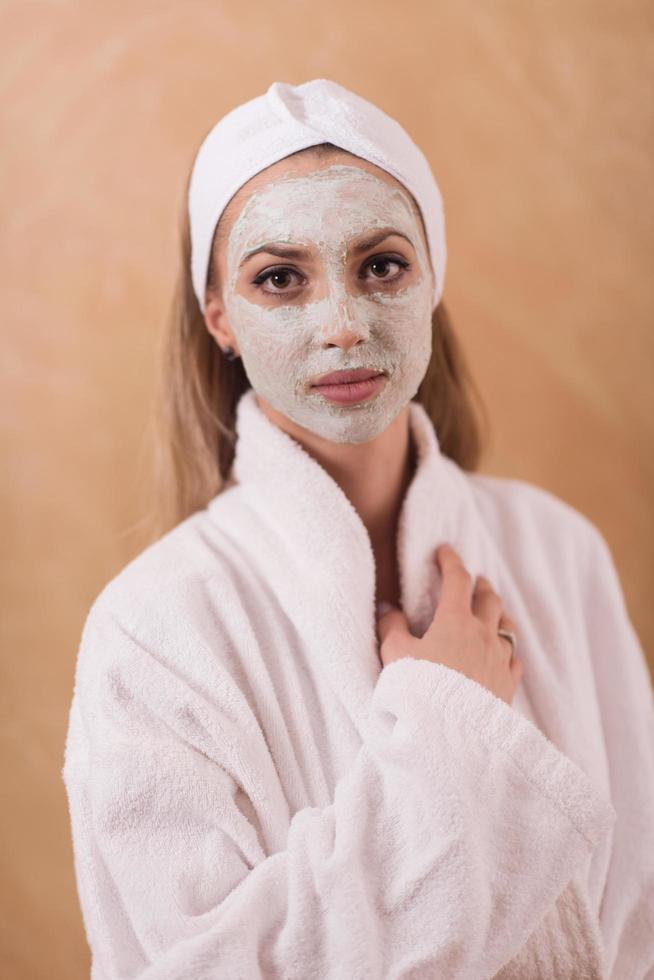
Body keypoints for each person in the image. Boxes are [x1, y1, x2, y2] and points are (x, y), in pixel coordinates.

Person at [61, 79, 654, 979]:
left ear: (432, 277)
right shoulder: (151, 628)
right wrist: (445, 724)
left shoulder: (558, 550)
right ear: (219, 315)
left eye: (381, 264)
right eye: (279, 279)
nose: (341, 326)